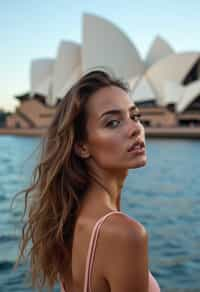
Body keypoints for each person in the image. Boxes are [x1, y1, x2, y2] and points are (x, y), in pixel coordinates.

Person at [15, 70, 160, 292]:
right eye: (112, 123)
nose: (135, 129)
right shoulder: (124, 234)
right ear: (82, 146)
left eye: (135, 116)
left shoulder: (68, 220)